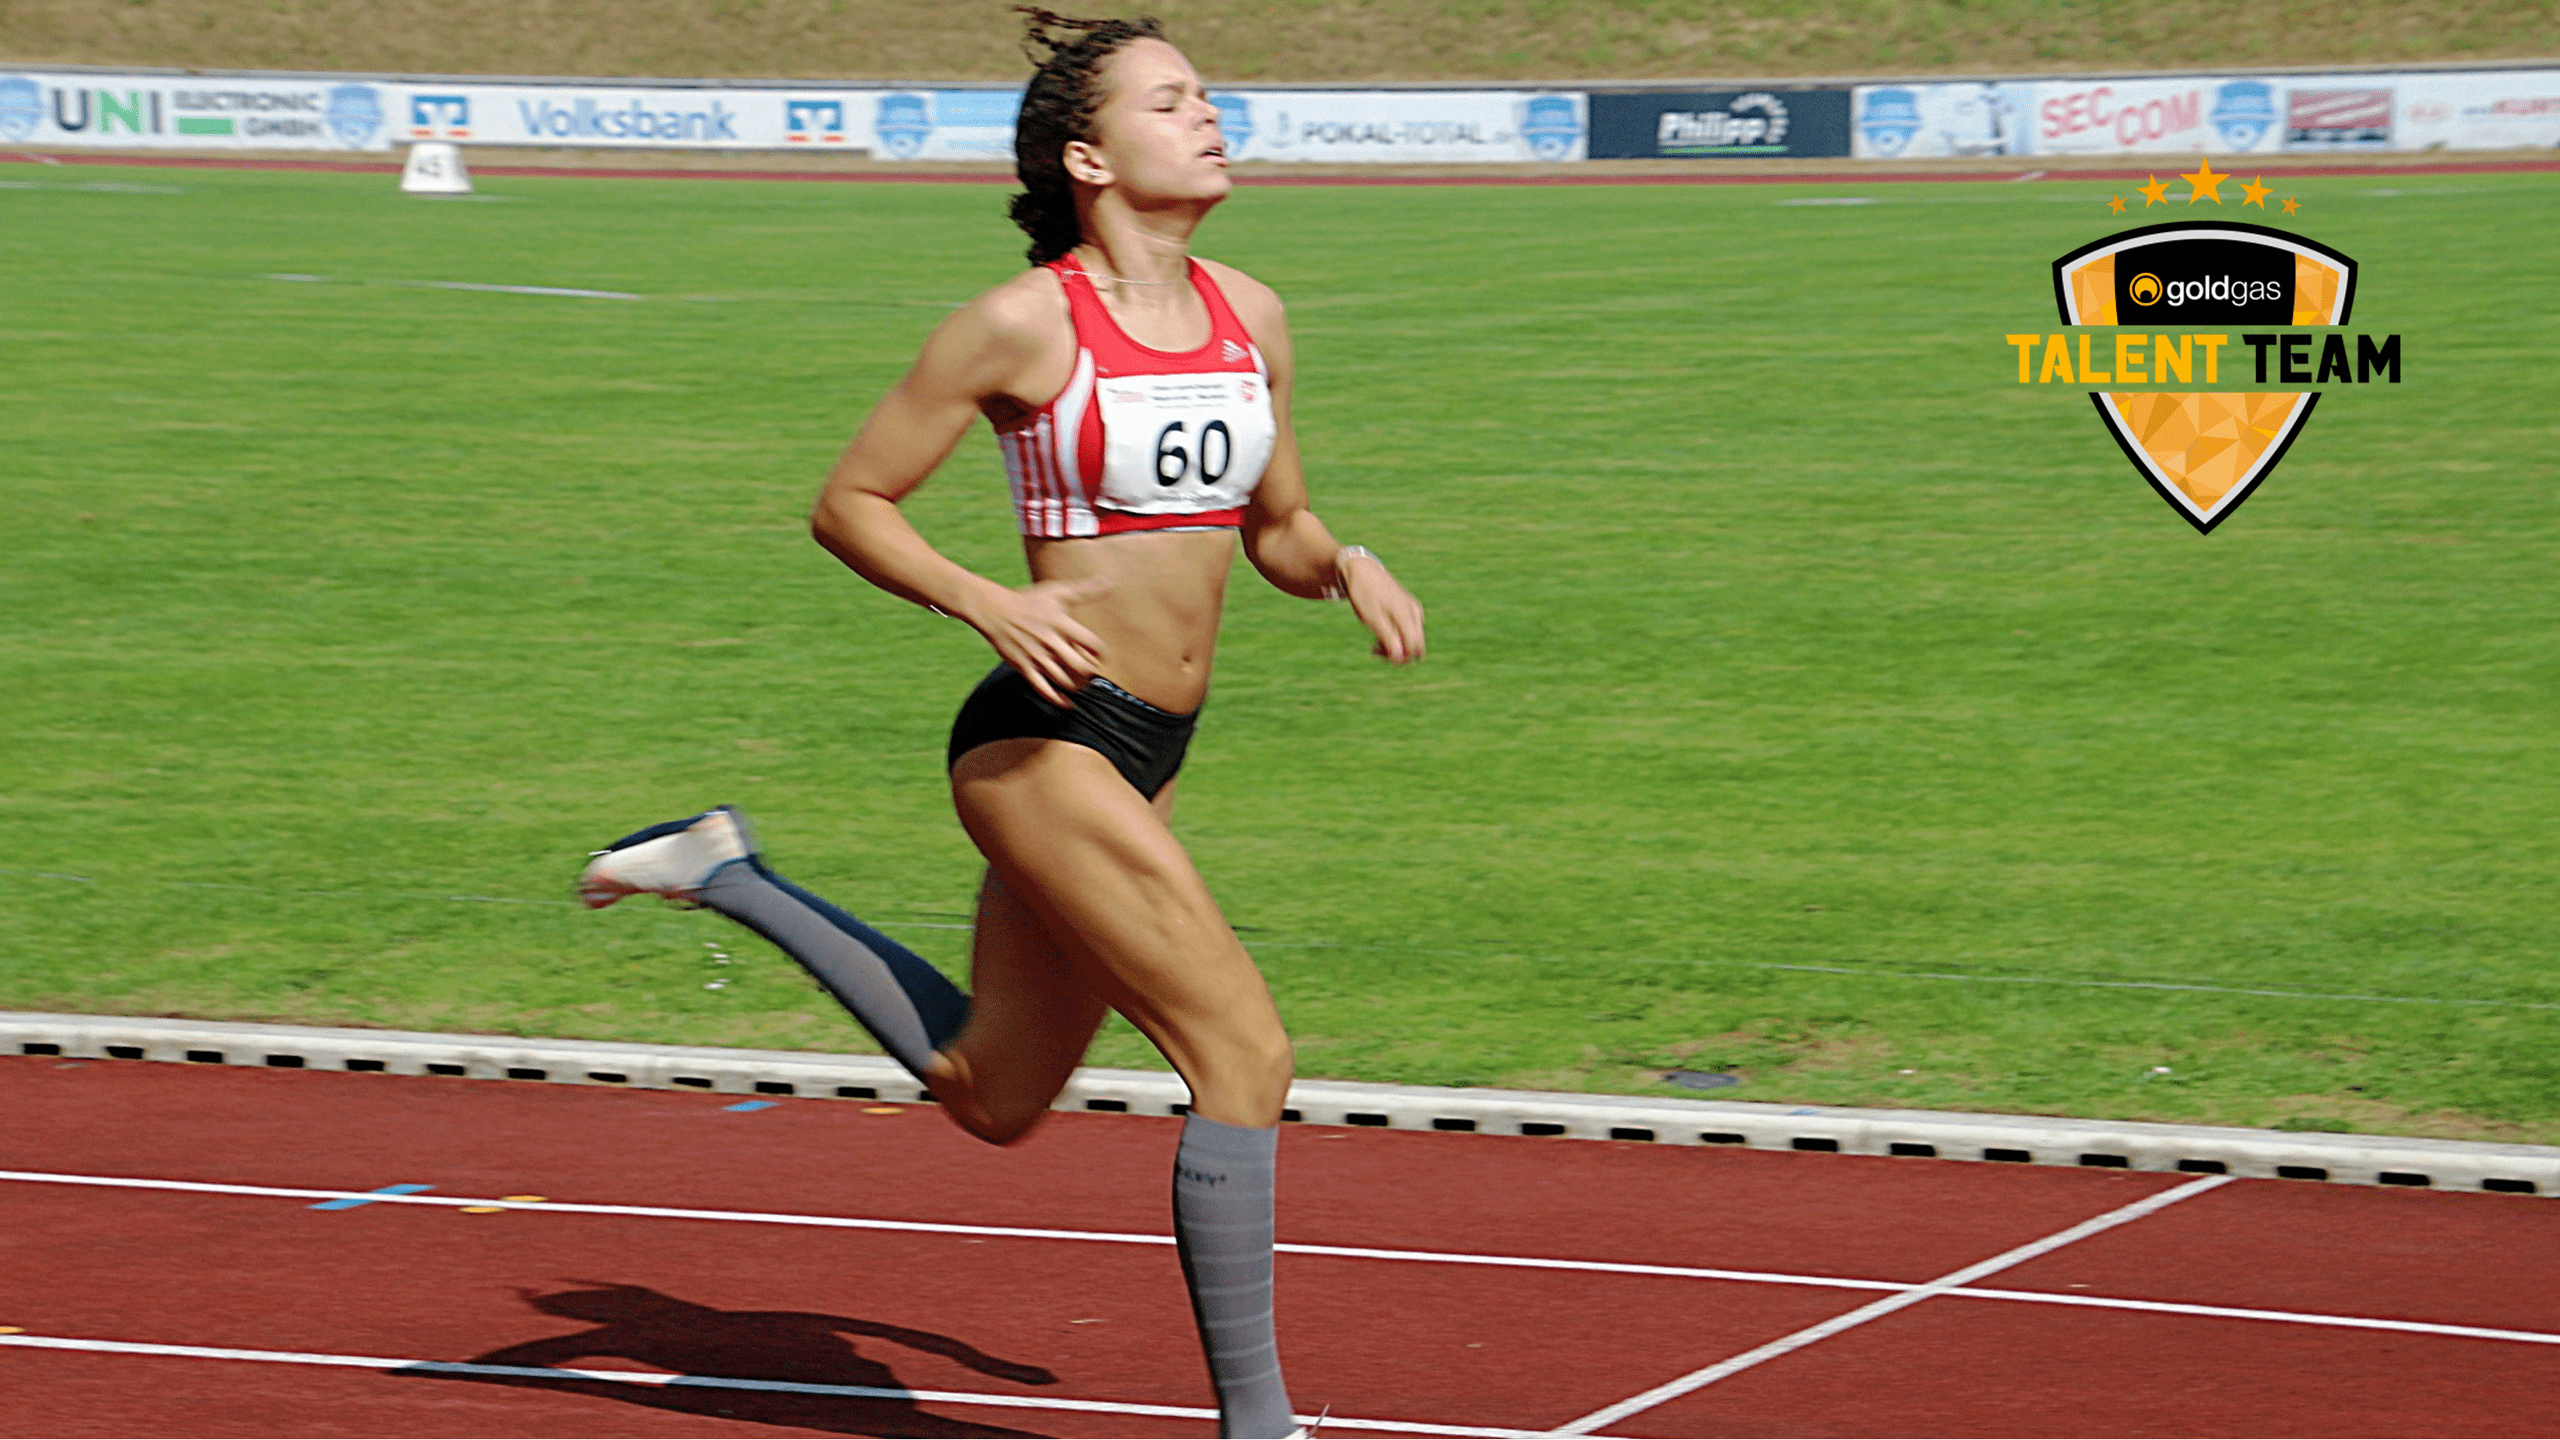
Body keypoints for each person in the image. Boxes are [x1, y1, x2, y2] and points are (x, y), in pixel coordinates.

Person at [575, 11, 1426, 1439]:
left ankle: (723, 868)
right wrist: (988, 602)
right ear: (1091, 155)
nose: (1210, 117)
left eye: (1208, 95)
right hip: (1045, 741)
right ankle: (1262, 1426)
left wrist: (1345, 565)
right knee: (1244, 1055)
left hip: (1150, 749)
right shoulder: (1025, 323)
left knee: (991, 1091)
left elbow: (1273, 530)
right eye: (1173, 101)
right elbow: (849, 504)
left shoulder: (1252, 315)